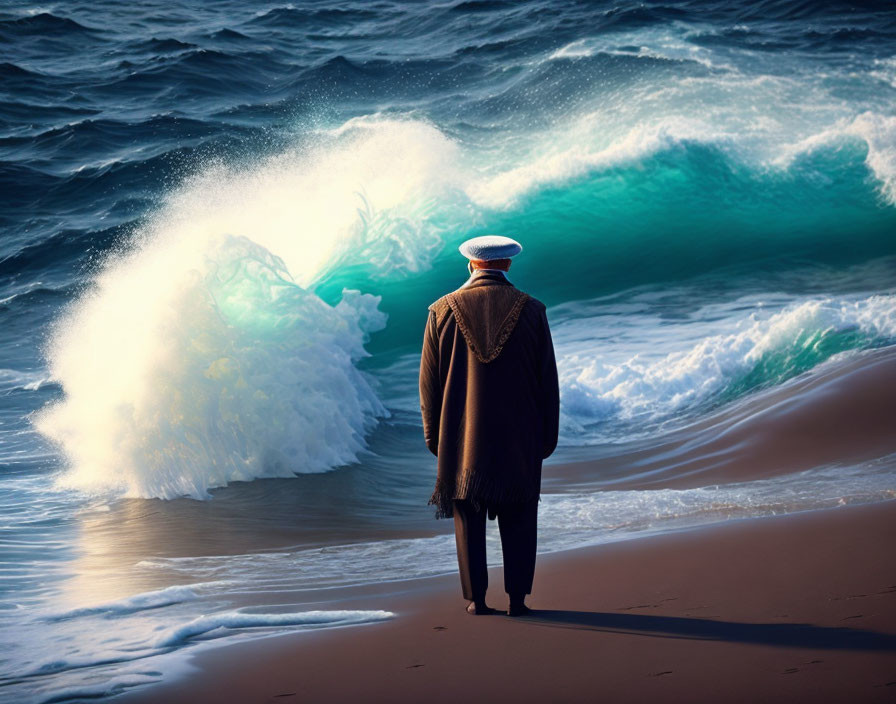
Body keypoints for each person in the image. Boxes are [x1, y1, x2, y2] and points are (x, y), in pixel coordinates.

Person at [419, 235, 560, 617]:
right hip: (519, 436)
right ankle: (517, 600)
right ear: (508, 265)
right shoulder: (532, 310)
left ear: (471, 265)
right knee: (519, 515)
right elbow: (547, 380)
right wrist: (546, 438)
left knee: (468, 517)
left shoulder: (440, 311)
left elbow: (428, 385)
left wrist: (437, 439)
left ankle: (476, 600)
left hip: (461, 438)